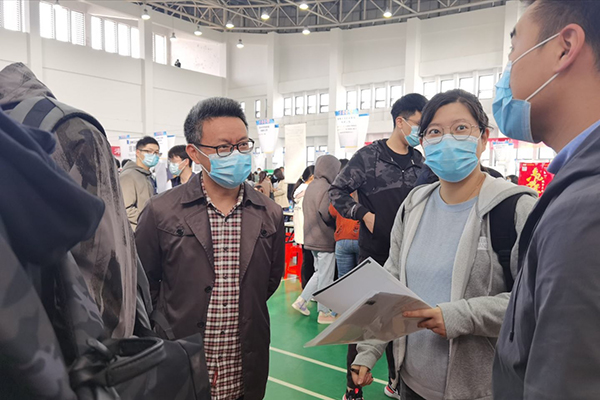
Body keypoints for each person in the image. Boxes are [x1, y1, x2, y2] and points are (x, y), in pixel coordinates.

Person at [351, 90, 537, 400]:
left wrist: (457, 316)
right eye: (435, 132)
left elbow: (534, 301)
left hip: (482, 390)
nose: (447, 139)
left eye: (461, 128)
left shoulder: (516, 208)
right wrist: (368, 349)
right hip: (410, 384)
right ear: (423, 142)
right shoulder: (414, 205)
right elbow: (391, 283)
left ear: (483, 137)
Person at [135, 97, 285, 400]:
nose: (236, 154)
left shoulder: (270, 213)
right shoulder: (162, 211)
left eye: (243, 145)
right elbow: (142, 285)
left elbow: (268, 282)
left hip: (243, 365)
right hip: (181, 362)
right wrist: (165, 327)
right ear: (194, 152)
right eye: (224, 148)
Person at [493, 1, 600, 398]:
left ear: (564, 47)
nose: (507, 71)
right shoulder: (576, 183)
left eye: (513, 49)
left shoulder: (585, 208)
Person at [0, 62, 137, 339]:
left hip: (43, 337)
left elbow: (102, 253)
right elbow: (106, 254)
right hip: (52, 340)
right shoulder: (70, 127)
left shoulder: (67, 129)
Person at [329, 93, 427, 400]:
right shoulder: (369, 156)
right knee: (364, 323)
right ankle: (353, 388)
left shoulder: (420, 162)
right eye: (418, 125)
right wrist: (364, 215)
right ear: (400, 121)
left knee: (401, 321)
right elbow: (337, 192)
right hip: (374, 253)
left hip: (410, 255)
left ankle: (396, 381)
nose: (421, 133)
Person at [292, 155, 341, 324]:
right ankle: (324, 313)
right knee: (326, 277)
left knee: (319, 273)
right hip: (324, 239)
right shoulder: (327, 188)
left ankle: (302, 301)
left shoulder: (311, 186)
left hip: (311, 238)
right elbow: (326, 213)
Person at [120, 136, 159, 230]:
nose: (153, 155)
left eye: (156, 152)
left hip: (147, 229)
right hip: (136, 231)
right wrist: (148, 220)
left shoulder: (147, 176)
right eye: (149, 151)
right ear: (138, 152)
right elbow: (126, 208)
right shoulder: (128, 175)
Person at [292, 166, 316, 289]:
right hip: (309, 232)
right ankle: (308, 289)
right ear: (312, 177)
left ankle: (306, 287)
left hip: (302, 233)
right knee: (310, 262)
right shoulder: (307, 191)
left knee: (307, 261)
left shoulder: (298, 190)